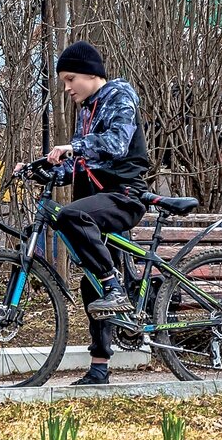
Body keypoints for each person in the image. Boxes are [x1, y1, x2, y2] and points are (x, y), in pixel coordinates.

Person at [36, 40, 150, 386]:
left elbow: (115, 144)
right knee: (91, 285)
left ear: (91, 74)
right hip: (96, 201)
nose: (67, 88)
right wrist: (41, 170)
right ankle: (99, 368)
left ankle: (115, 285)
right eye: (64, 82)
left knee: (70, 217)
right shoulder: (86, 109)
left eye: (71, 79)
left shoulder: (120, 96)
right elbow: (82, 165)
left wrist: (73, 146)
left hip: (122, 196)